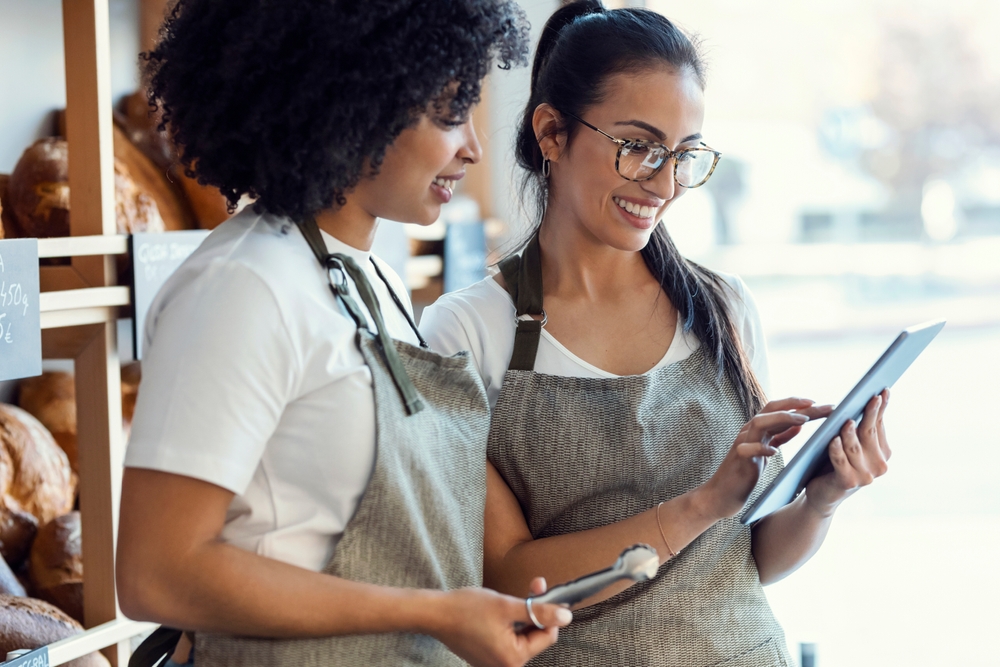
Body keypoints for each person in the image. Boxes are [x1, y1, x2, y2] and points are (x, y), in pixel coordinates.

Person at [420, 2, 892, 665]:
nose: (665, 183)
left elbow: (752, 559)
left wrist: (822, 499)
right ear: (552, 132)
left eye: (684, 154)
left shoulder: (724, 309)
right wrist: (698, 506)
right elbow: (504, 575)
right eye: (638, 147)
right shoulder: (465, 330)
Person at [115, 2, 573, 666]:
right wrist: (432, 611)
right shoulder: (243, 285)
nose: (472, 147)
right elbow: (154, 571)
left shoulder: (375, 278)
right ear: (356, 99)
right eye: (449, 114)